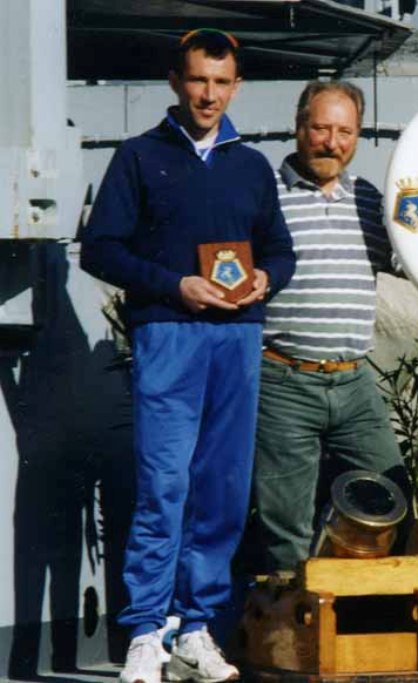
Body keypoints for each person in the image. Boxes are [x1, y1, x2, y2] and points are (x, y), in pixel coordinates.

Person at [80, 29, 296, 683]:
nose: (209, 93)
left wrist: (267, 281)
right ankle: (147, 632)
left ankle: (196, 629)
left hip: (237, 339)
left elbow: (280, 251)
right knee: (163, 485)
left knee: (223, 490)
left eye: (220, 82)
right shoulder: (140, 158)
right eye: (198, 79)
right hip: (169, 334)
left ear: (236, 87)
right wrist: (175, 284)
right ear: (176, 81)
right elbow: (101, 250)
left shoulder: (251, 166)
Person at [246, 80, 410, 574]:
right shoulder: (264, 196)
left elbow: (410, 261)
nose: (331, 142)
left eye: (345, 131)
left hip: (354, 380)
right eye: (320, 128)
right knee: (286, 523)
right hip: (283, 380)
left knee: (392, 494)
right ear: (299, 128)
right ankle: (289, 638)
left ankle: (373, 619)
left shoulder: (367, 200)